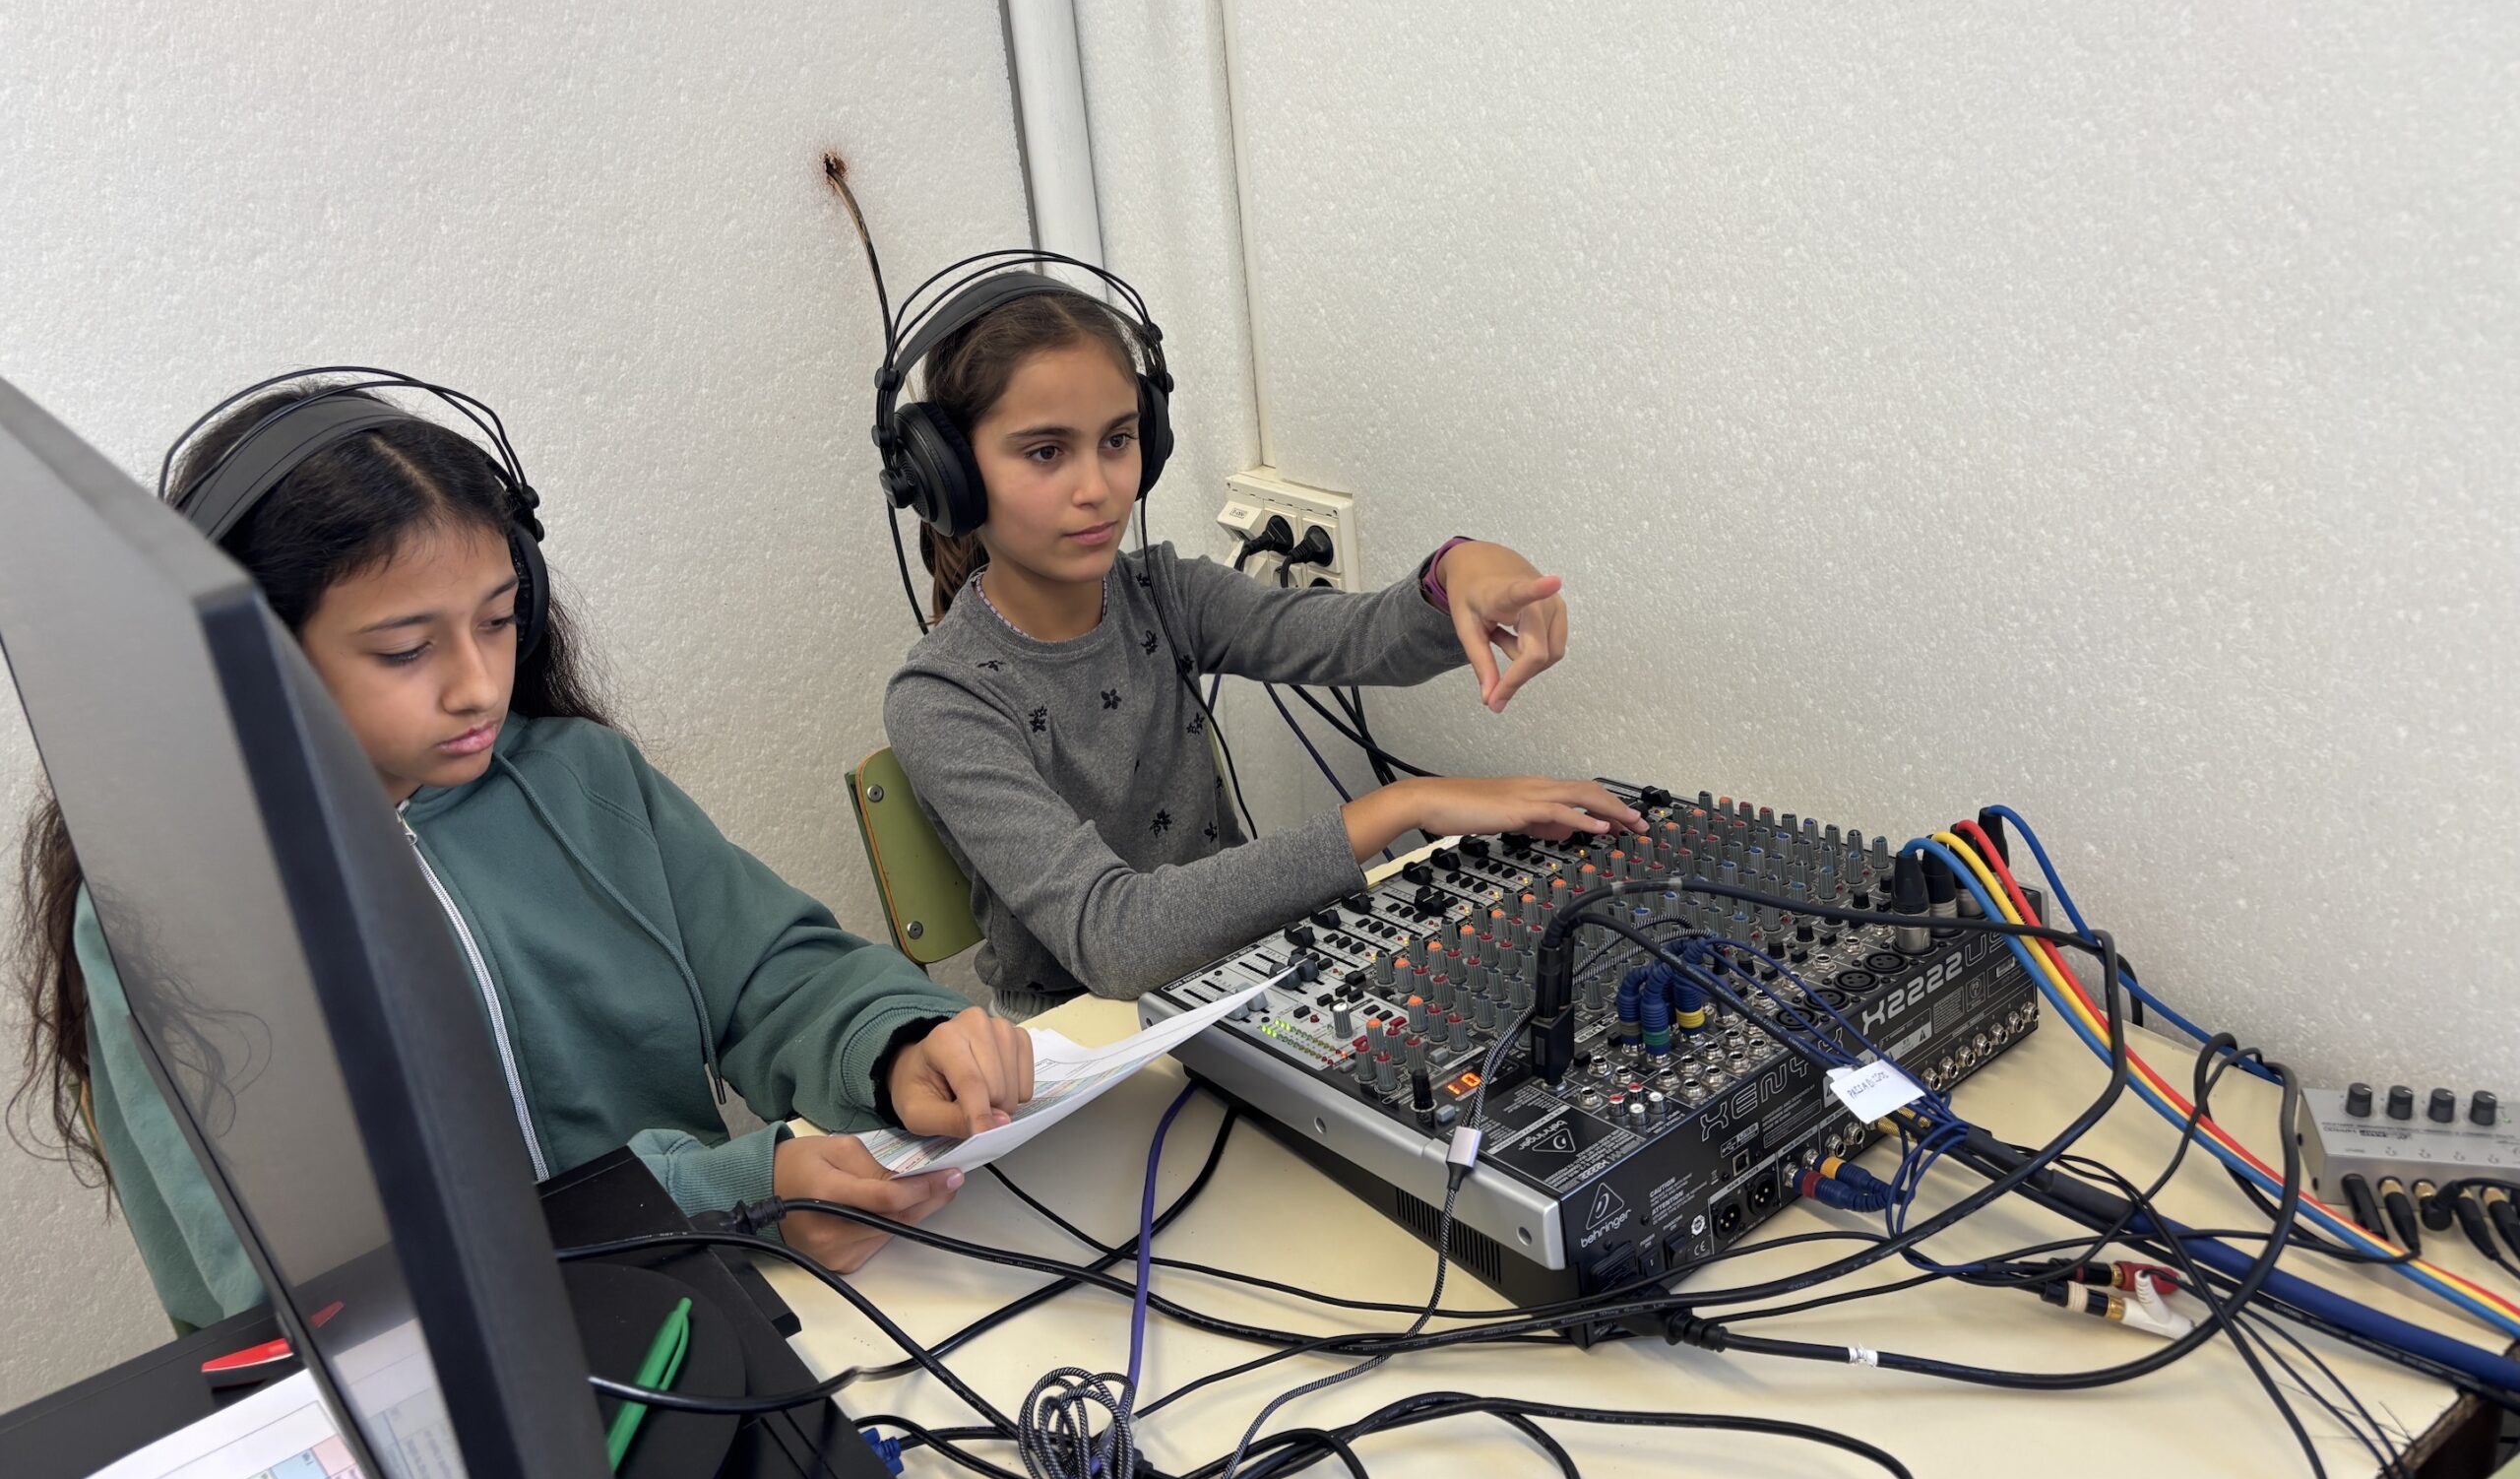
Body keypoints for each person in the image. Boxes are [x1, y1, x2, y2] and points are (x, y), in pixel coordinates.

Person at [12, 380, 1031, 1329]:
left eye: (498, 620)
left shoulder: (582, 776)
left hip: (703, 1315)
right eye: (406, 649)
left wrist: (895, 1043)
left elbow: (774, 974)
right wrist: (724, 1196)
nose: (478, 685)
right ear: (244, 661)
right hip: (457, 1391)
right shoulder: (171, 913)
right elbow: (325, 1277)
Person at [882, 282, 1644, 1016]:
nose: (1097, 488)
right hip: (1075, 1040)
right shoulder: (942, 699)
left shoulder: (1165, 592)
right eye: (1047, 452)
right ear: (952, 477)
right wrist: (1406, 804)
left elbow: (1352, 640)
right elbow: (1117, 939)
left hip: (1235, 973)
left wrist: (1456, 574)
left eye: (1117, 440)